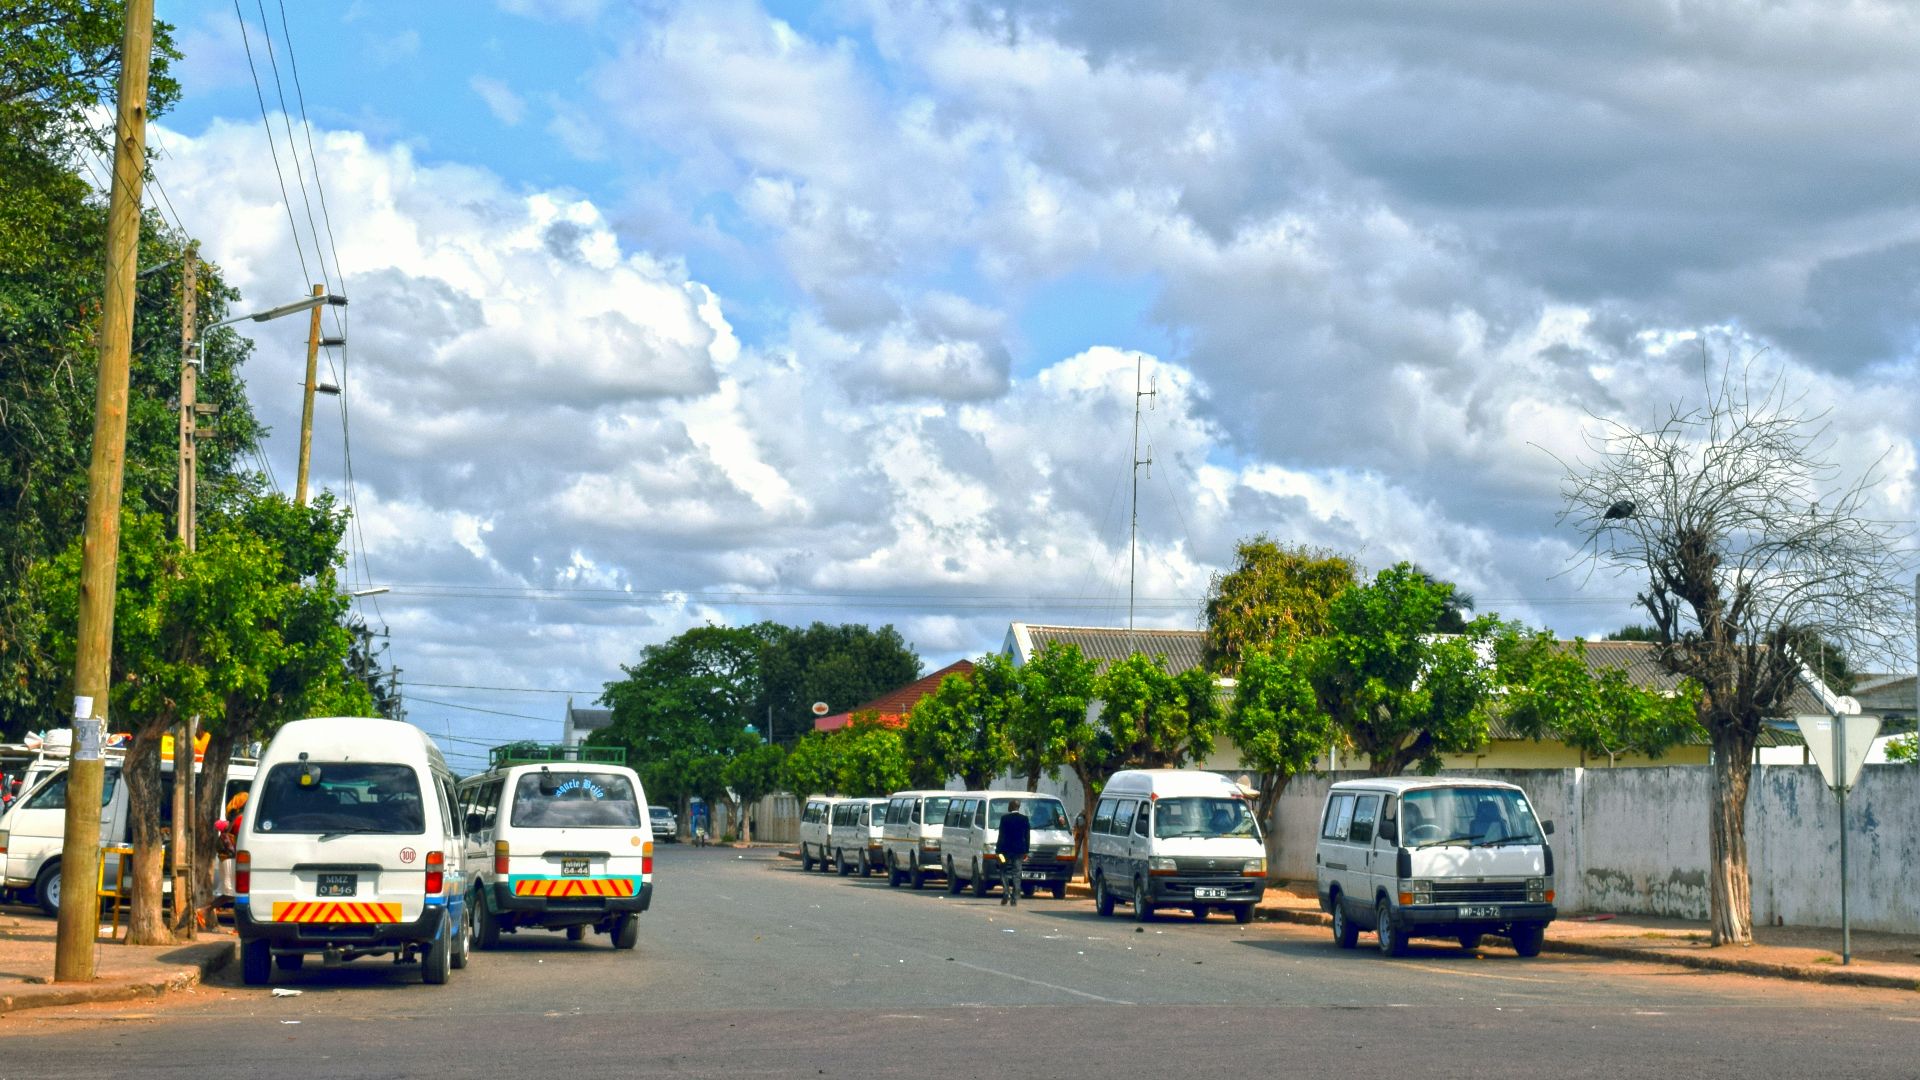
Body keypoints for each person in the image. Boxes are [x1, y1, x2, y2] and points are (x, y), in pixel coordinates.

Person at [997, 799, 1031, 906]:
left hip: (1004, 851)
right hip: (1019, 851)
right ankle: (1015, 897)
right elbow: (1027, 836)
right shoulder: (1024, 819)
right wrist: (1026, 851)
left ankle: (1006, 891)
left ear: (1011, 806)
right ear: (1018, 807)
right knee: (1016, 873)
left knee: (1003, 870)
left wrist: (998, 850)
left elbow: (1001, 835)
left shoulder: (1004, 818)